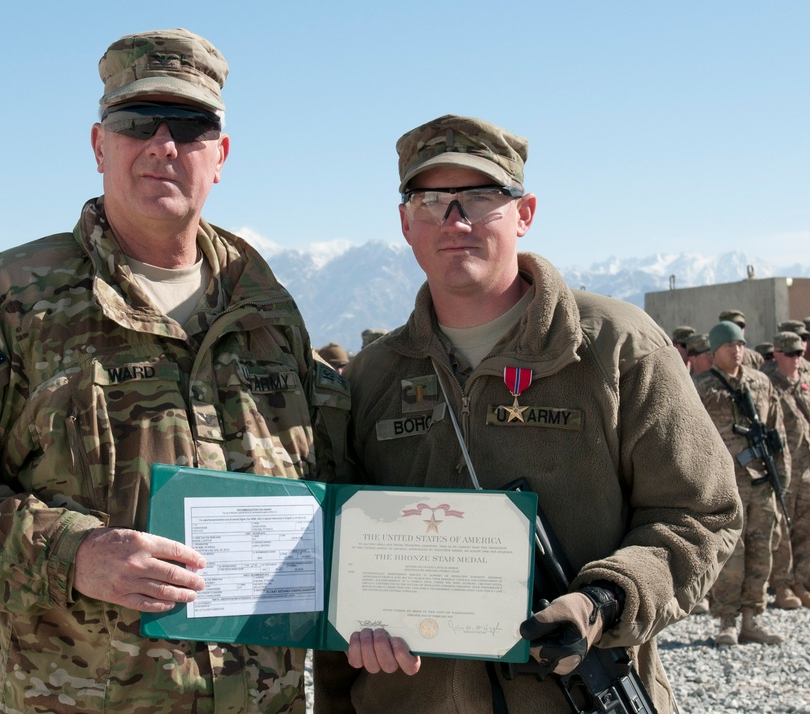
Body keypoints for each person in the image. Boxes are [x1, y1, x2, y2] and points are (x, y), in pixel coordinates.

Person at [0, 28, 347, 714]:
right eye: (135, 123)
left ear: (221, 155)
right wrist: (72, 553)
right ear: (100, 145)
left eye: (190, 126)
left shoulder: (267, 309)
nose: (163, 144)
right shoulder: (13, 296)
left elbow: (331, 482)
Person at [312, 115, 741, 714]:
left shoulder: (614, 347)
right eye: (431, 200)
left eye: (481, 197)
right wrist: (359, 627)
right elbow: (334, 552)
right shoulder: (373, 378)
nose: (455, 220)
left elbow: (701, 512)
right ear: (406, 223)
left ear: (525, 213)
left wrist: (604, 600)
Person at [694, 321, 789, 646]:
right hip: (725, 485)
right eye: (729, 345)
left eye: (740, 344)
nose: (737, 350)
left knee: (762, 550)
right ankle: (726, 621)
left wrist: (782, 477)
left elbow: (777, 431)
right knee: (731, 553)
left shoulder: (760, 383)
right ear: (715, 350)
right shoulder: (703, 387)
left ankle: (752, 619)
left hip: (761, 482)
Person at [764, 332, 810, 608]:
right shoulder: (770, 385)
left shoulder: (803, 383)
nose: (797, 359)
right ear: (778, 353)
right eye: (791, 354)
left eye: (800, 353)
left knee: (804, 528)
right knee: (783, 531)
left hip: (807, 468)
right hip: (785, 467)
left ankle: (801, 581)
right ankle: (782, 586)